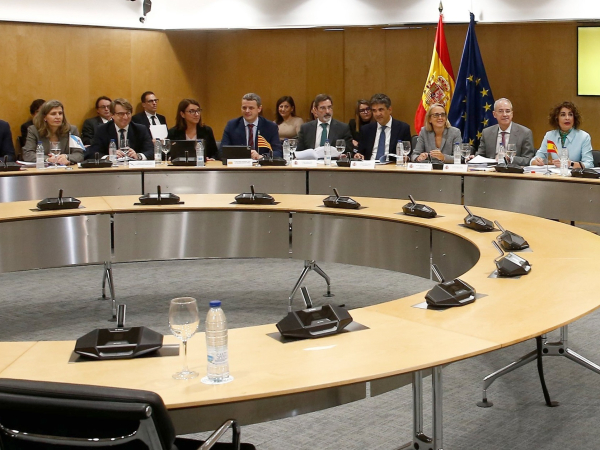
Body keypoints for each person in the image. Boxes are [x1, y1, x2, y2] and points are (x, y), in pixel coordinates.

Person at [85, 98, 153, 160]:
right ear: (112, 115)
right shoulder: (102, 130)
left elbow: (152, 151)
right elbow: (92, 153)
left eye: (128, 113)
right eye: (121, 114)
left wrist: (138, 156)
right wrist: (109, 157)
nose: (125, 117)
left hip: (133, 167)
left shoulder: (140, 129)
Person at [531, 101, 592, 169]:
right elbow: (537, 158)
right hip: (555, 174)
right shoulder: (550, 136)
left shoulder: (584, 137)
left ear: (574, 118)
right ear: (557, 118)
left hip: (574, 174)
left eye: (570, 115)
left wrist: (571, 164)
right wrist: (536, 162)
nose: (567, 118)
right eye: (563, 115)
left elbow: (589, 164)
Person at [220, 93, 282, 159]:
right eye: (244, 108)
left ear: (259, 109)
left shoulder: (270, 127)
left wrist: (261, 156)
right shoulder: (232, 125)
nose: (247, 111)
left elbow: (278, 152)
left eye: (251, 108)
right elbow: (222, 152)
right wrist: (243, 155)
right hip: (240, 164)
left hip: (261, 164)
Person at [22, 100, 83, 165]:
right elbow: (27, 154)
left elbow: (79, 154)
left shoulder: (72, 130)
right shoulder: (34, 130)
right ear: (44, 117)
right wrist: (48, 159)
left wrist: (66, 157)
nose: (58, 117)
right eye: (53, 114)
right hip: (43, 169)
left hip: (65, 169)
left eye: (60, 113)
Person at [476, 98, 534, 166]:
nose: (505, 114)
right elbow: (480, 156)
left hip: (513, 171)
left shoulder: (525, 133)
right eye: (500, 111)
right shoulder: (486, 133)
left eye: (508, 111)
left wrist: (509, 158)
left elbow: (529, 159)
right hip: (491, 170)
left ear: (512, 114)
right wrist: (473, 158)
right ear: (494, 114)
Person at [356, 94, 411, 161]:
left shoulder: (403, 128)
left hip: (392, 166)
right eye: (374, 110)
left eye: (381, 110)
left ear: (390, 110)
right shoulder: (366, 130)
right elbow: (360, 153)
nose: (377, 114)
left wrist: (406, 158)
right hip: (370, 165)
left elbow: (408, 153)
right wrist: (358, 155)